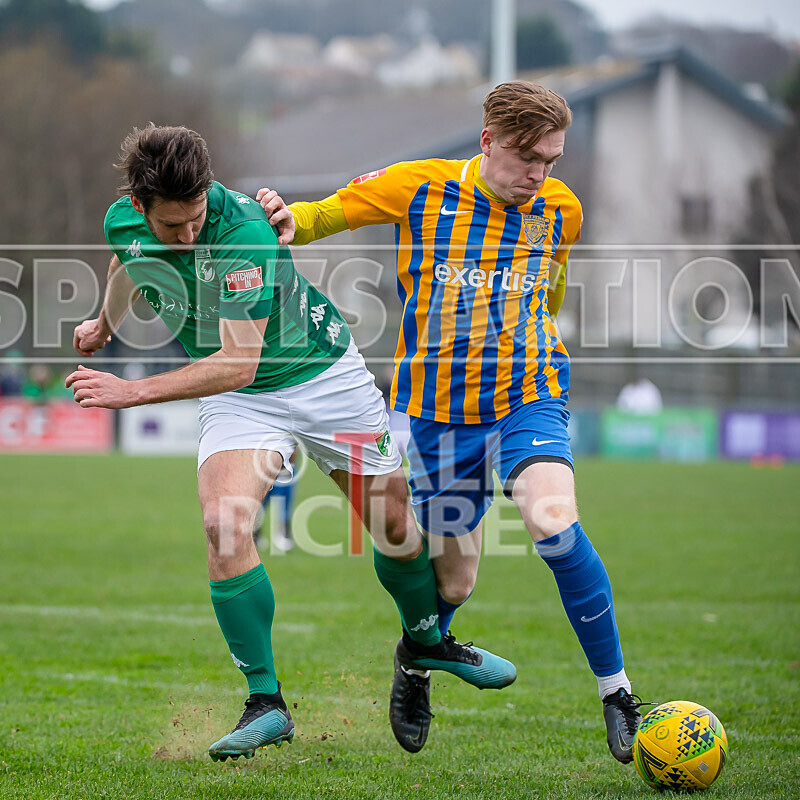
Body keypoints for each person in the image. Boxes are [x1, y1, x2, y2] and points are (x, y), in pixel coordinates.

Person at [67, 125, 515, 762]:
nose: (188, 238)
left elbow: (237, 362)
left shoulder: (241, 236)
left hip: (321, 376)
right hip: (243, 402)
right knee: (224, 523)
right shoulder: (125, 221)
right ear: (139, 205)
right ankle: (265, 702)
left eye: (195, 219)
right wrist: (103, 320)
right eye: (172, 228)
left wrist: (127, 393)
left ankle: (422, 646)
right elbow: (127, 260)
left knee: (393, 529)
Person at [257, 82, 647, 761]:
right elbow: (327, 214)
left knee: (552, 520)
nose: (538, 174)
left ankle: (616, 692)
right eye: (527, 157)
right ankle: (415, 661)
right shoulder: (420, 188)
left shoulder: (562, 210)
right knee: (455, 583)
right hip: (441, 416)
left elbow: (547, 287)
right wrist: (289, 221)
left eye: (550, 160)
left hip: (529, 393)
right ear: (487, 141)